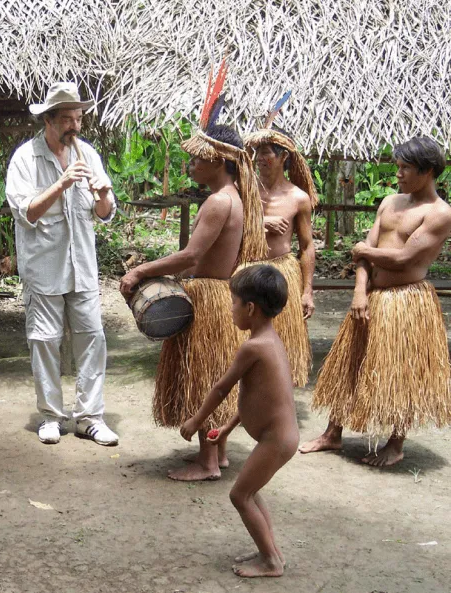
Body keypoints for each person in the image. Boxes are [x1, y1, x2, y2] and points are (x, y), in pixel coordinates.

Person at [120, 76, 268, 480]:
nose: (192, 165)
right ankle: (216, 455)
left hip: (209, 296)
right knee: (212, 372)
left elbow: (191, 255)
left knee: (202, 375)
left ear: (218, 161)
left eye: (199, 160)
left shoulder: (219, 202)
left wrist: (140, 270)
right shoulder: (234, 196)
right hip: (220, 294)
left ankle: (207, 463)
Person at [300, 136, 451, 466]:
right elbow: (365, 254)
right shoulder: (389, 202)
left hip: (407, 302)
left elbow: (403, 258)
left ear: (427, 171)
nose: (398, 174)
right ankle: (332, 434)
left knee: (402, 372)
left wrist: (363, 250)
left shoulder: (440, 213)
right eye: (398, 167)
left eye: (406, 168)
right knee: (349, 362)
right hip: (370, 297)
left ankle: (395, 445)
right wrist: (359, 291)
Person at [5, 82, 119, 446]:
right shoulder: (26, 158)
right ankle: (51, 416)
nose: (74, 125)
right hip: (44, 270)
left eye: (79, 118)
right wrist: (61, 183)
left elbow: (105, 213)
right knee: (44, 341)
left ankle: (90, 417)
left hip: (82, 267)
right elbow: (26, 213)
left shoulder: (88, 153)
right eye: (67, 118)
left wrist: (102, 195)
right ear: (49, 121)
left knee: (92, 339)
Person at [181, 265, 298, 578]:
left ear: (250, 308)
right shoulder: (271, 342)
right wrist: (229, 428)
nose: (231, 309)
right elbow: (261, 397)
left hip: (277, 439)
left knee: (239, 495)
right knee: (252, 491)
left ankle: (271, 561)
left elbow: (222, 388)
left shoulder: (253, 347)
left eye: (233, 303)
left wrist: (197, 421)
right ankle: (270, 551)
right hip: (280, 437)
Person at [244, 121, 317, 387]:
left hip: (281, 272)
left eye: (267, 152)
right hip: (247, 270)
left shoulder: (298, 198)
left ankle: (275, 400)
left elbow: (307, 246)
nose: (260, 158)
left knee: (280, 343)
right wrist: (260, 223)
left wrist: (307, 290)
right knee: (244, 340)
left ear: (284, 156)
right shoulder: (245, 190)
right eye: (258, 151)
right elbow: (227, 227)